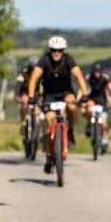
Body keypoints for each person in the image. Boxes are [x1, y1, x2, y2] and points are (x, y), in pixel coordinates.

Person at [26, 36, 89, 172]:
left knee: (72, 107)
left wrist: (84, 95)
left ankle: (70, 131)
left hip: (66, 92)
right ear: (50, 50)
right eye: (54, 50)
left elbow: (79, 76)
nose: (57, 53)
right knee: (49, 121)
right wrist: (31, 97)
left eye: (60, 50)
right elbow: (34, 78)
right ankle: (49, 157)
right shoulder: (44, 60)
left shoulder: (68, 59)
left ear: (63, 50)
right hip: (49, 94)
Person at [83, 62, 111, 138]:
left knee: (104, 123)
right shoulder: (89, 77)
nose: (97, 74)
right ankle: (89, 124)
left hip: (103, 100)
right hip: (92, 98)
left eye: (99, 72)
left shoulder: (106, 78)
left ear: (102, 72)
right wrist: (81, 99)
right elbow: (82, 88)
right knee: (87, 109)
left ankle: (103, 138)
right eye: (95, 72)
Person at [14, 56, 40, 125]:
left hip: (37, 93)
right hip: (25, 92)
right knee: (25, 102)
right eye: (32, 67)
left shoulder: (41, 73)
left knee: (38, 108)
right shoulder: (24, 73)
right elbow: (18, 84)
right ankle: (23, 121)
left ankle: (37, 125)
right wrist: (17, 95)